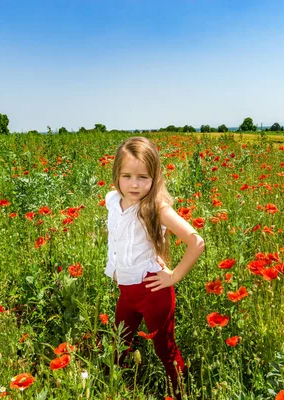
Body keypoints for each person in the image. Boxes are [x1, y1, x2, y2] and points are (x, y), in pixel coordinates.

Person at [104, 136, 205, 399]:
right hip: (126, 290)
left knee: (165, 348)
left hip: (153, 290)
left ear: (155, 177)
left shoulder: (157, 208)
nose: (134, 184)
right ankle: (116, 387)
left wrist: (173, 276)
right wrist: (113, 267)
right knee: (119, 342)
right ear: (116, 174)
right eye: (126, 175)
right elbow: (116, 237)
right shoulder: (112, 200)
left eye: (143, 177)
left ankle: (180, 393)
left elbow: (196, 242)